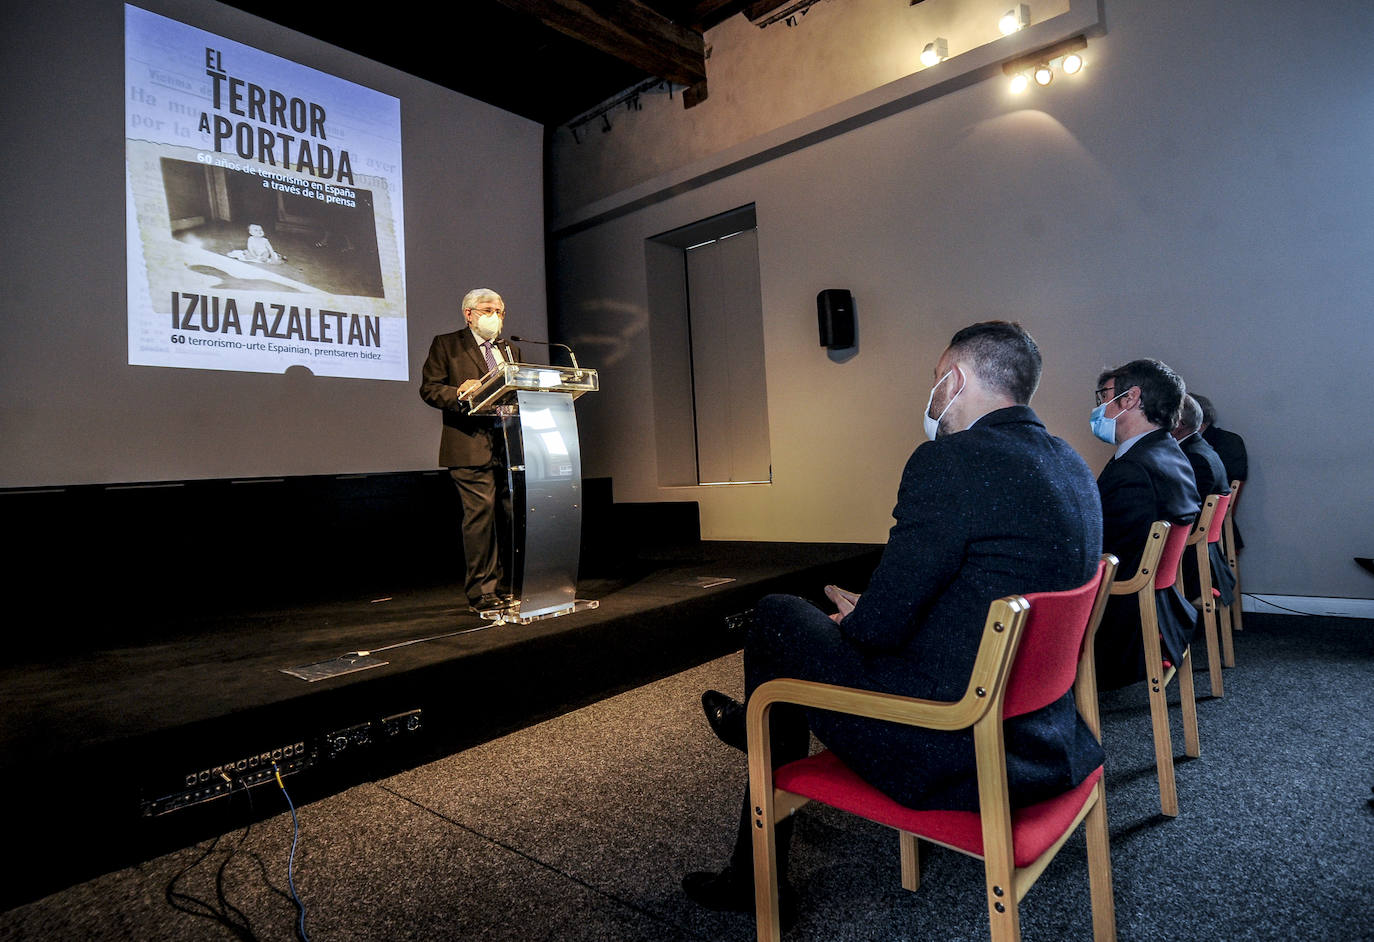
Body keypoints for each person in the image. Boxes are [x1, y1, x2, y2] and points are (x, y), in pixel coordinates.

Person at [683, 322, 1105, 921]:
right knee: (811, 639)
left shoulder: (948, 462)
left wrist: (868, 614)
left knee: (779, 619)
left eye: (936, 378)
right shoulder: (1073, 466)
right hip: (1043, 740)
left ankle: (756, 849)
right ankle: (765, 719)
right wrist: (881, 611)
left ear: (955, 379)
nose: (932, 393)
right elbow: (995, 587)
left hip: (953, 739)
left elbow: (878, 631)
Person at [1089, 359, 1201, 690]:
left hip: (1123, 628)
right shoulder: (1168, 454)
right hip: (1161, 612)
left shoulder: (1135, 470)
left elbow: (1100, 551)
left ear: (1131, 397)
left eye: (1105, 395)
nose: (1100, 406)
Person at [419, 289, 521, 612]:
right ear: (469, 314)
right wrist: (459, 392)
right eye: (488, 310)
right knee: (481, 516)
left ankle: (503, 585)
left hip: (506, 446)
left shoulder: (509, 348)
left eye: (500, 312)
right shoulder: (447, 344)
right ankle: (481, 592)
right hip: (468, 444)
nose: (496, 317)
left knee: (506, 515)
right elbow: (430, 389)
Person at [1172, 395, 1236, 606]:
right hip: (1203, 554)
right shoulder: (1201, 449)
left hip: (1193, 564)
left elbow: (1184, 513)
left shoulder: (1193, 457)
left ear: (1179, 423)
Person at [1193, 393, 1248, 550]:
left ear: (1199, 422)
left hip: (1208, 522)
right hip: (1217, 521)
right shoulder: (1230, 440)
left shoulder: (1209, 447)